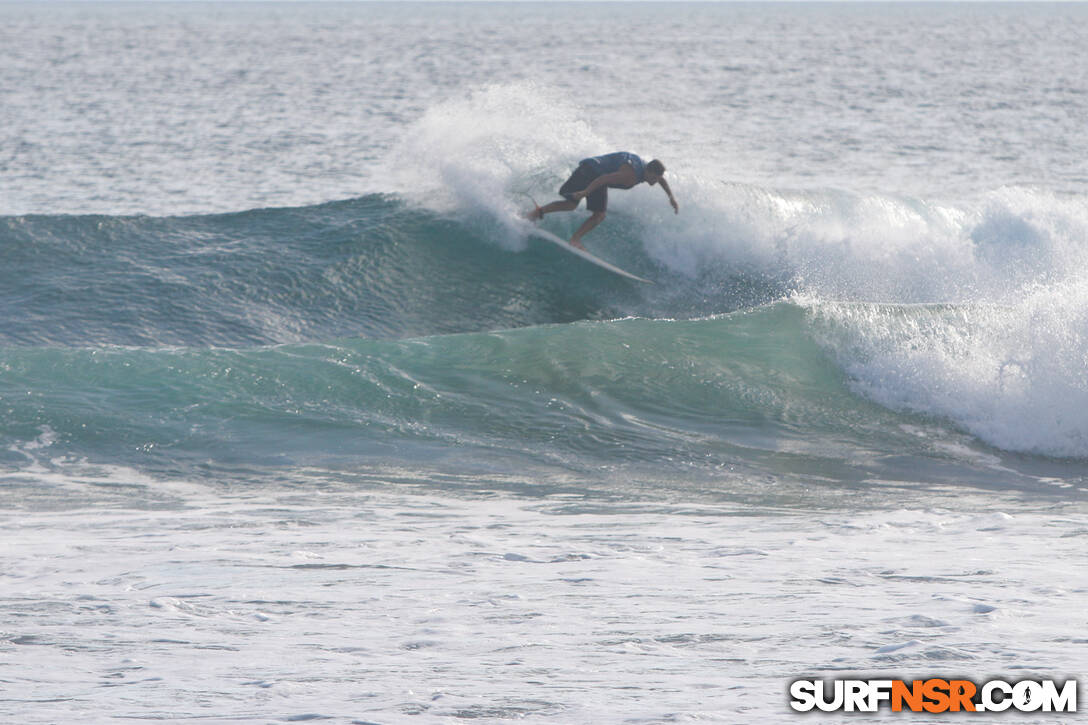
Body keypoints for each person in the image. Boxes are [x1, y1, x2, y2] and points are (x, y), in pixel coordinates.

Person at [526, 152, 678, 249]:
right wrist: (585, 192)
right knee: (571, 204)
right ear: (648, 171)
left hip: (597, 175)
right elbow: (604, 178)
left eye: (657, 179)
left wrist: (671, 198)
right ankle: (539, 214)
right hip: (589, 172)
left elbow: (661, 179)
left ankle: (574, 239)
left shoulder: (648, 169)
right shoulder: (630, 175)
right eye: (654, 178)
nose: (655, 181)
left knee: (599, 215)